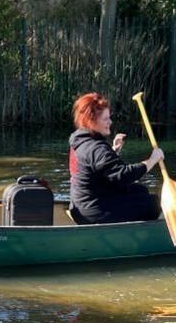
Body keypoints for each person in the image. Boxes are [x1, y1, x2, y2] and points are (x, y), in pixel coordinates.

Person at [68, 92, 165, 225]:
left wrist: (114, 151)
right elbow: (123, 176)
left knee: (140, 190)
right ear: (91, 121)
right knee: (153, 204)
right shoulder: (96, 148)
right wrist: (152, 160)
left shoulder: (80, 140)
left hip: (80, 205)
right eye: (105, 119)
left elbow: (97, 168)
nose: (110, 122)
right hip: (94, 211)